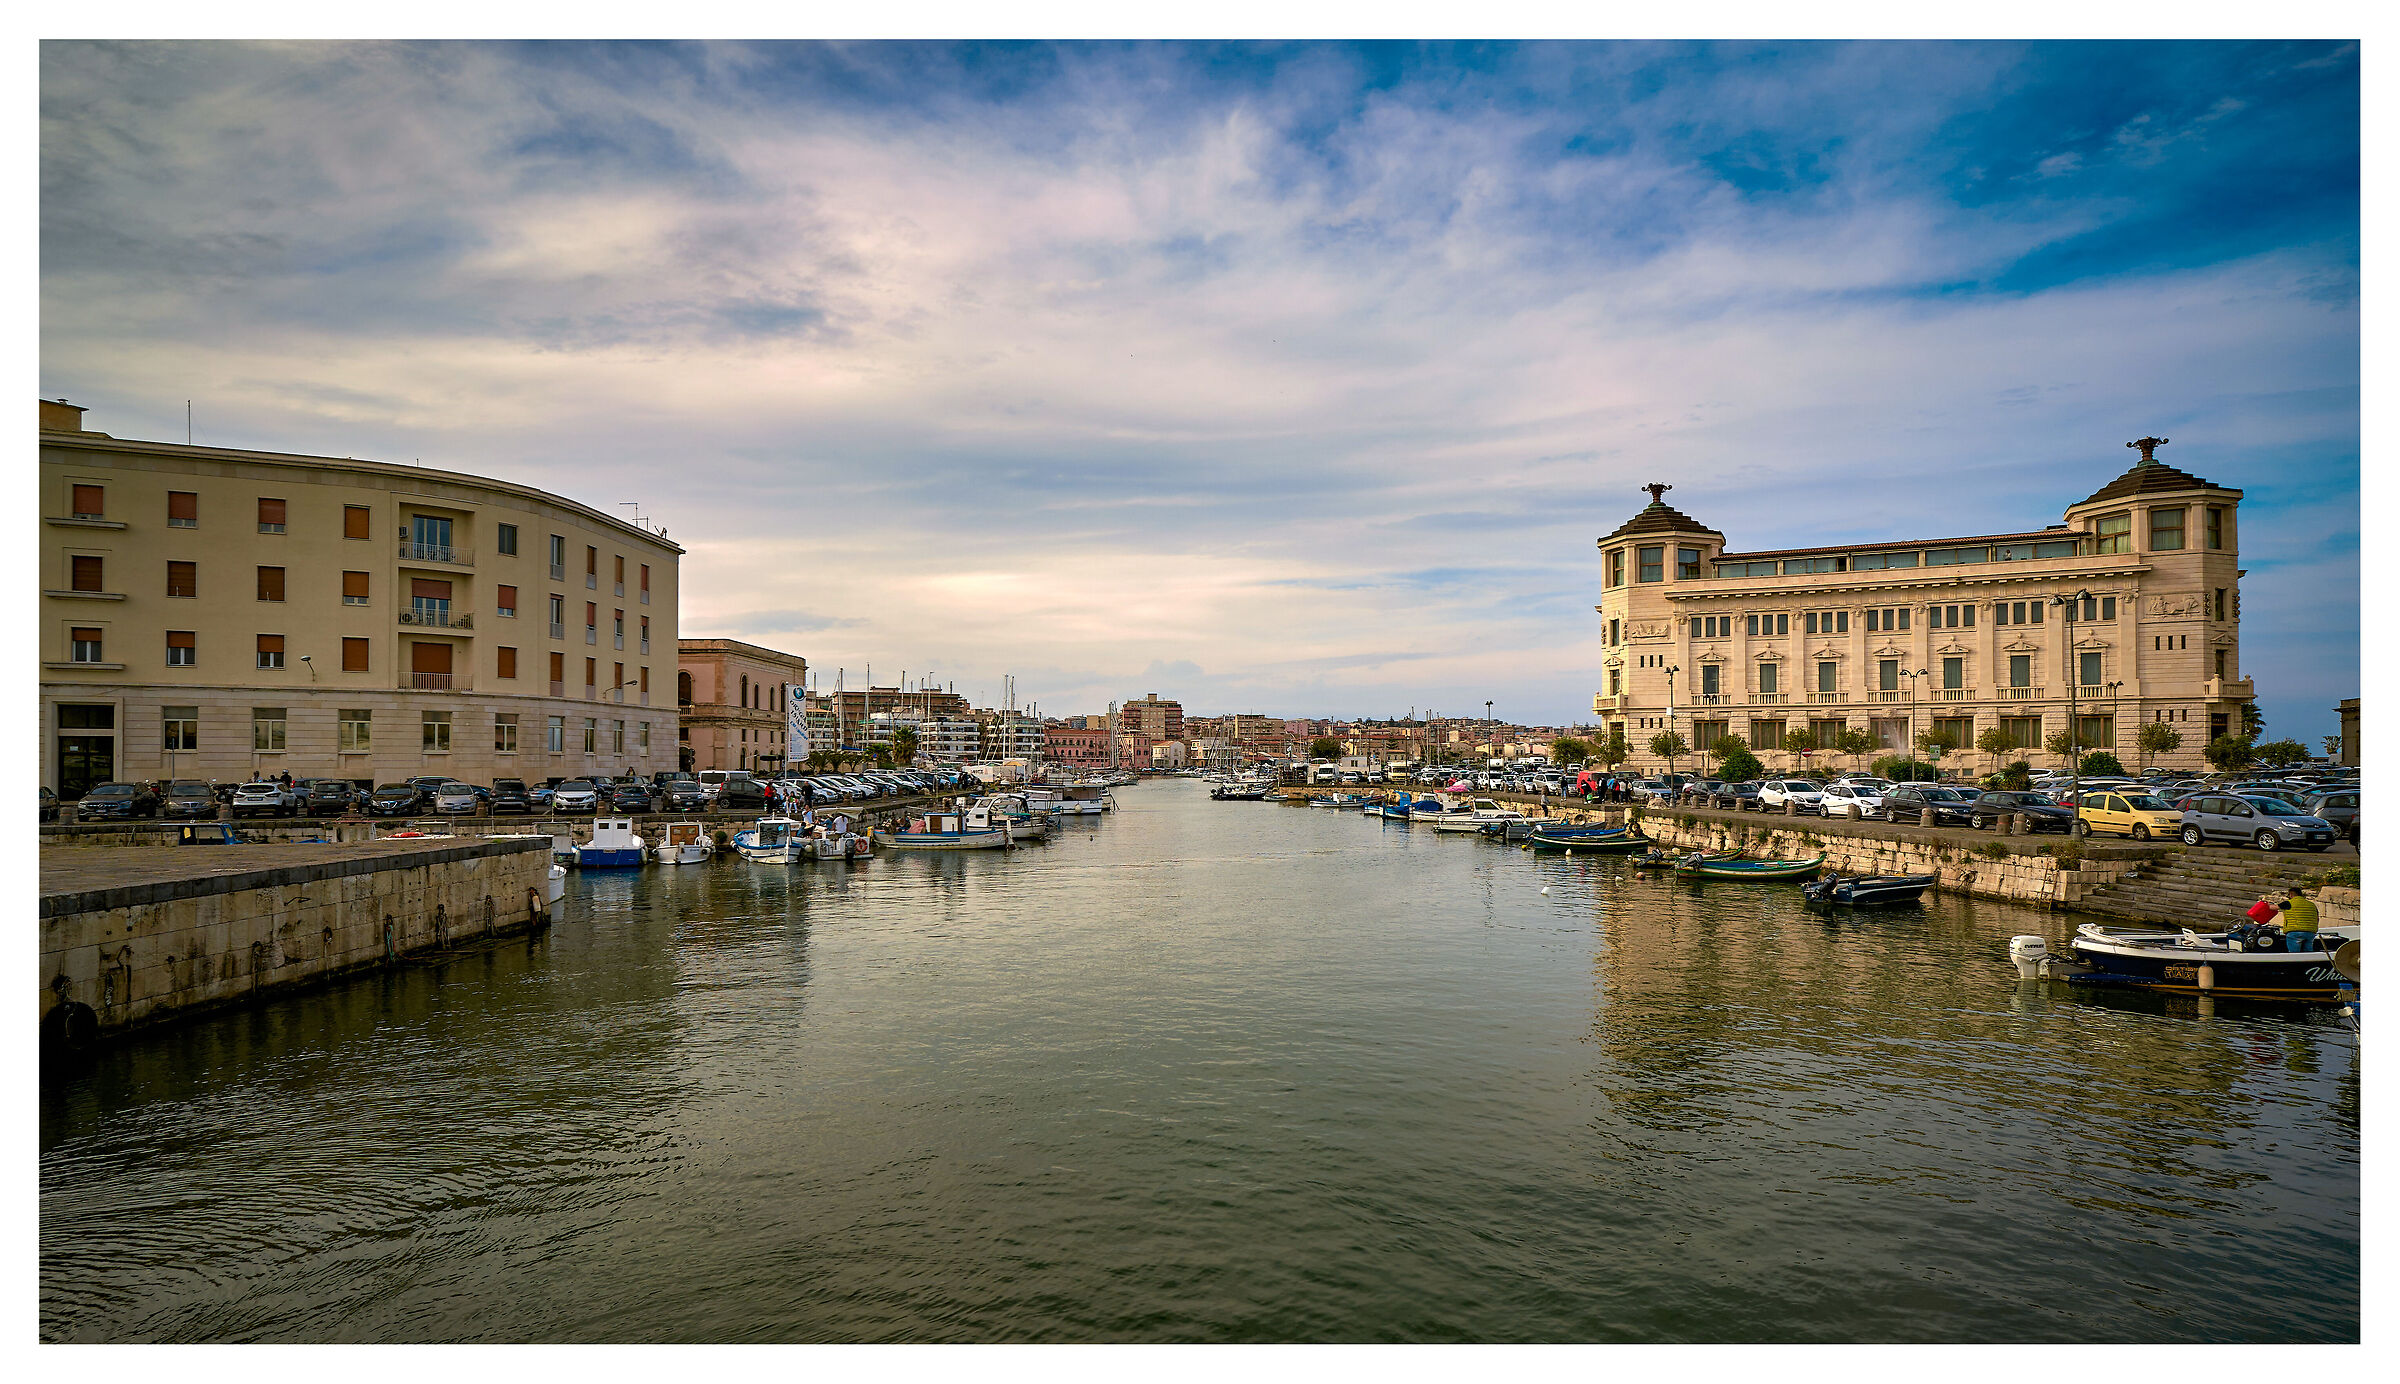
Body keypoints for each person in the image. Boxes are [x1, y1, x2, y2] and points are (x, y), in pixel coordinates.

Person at [2279, 888, 2320, 952]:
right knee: (2308, 953)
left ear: (2291, 894)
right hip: (2310, 932)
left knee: (2294, 954)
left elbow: (2273, 907)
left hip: (2294, 931)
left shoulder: (2288, 903)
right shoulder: (2312, 905)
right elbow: (2317, 918)